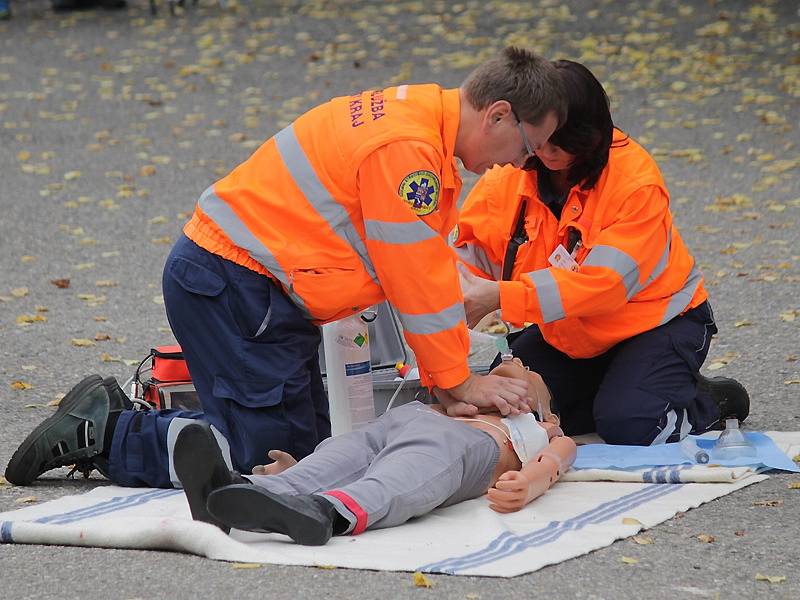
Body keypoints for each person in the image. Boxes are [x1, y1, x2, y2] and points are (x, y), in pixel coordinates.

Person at [5, 47, 567, 488]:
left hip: (251, 291)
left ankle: (122, 423)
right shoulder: (407, 149)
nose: (520, 162)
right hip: (233, 286)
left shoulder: (419, 120)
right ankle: (106, 431)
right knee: (259, 465)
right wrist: (456, 379)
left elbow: (417, 267)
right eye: (527, 145)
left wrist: (450, 379)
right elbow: (416, 280)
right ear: (497, 115)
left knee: (308, 459)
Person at [452, 60, 750, 446]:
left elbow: (602, 288)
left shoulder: (634, 183)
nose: (548, 153)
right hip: (570, 333)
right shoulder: (514, 169)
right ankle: (622, 390)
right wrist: (452, 298)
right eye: (542, 141)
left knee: (632, 426)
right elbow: (465, 252)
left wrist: (496, 297)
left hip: (653, 324)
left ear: (594, 135)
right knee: (509, 406)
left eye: (563, 143)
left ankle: (710, 399)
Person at [173, 358, 576, 545]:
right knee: (341, 453)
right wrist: (297, 467)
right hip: (400, 421)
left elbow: (559, 458)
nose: (516, 362)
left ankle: (326, 511)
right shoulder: (461, 398)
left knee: (399, 479)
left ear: (548, 410)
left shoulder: (542, 429)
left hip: (460, 446)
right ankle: (231, 491)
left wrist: (529, 481)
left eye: (529, 372)